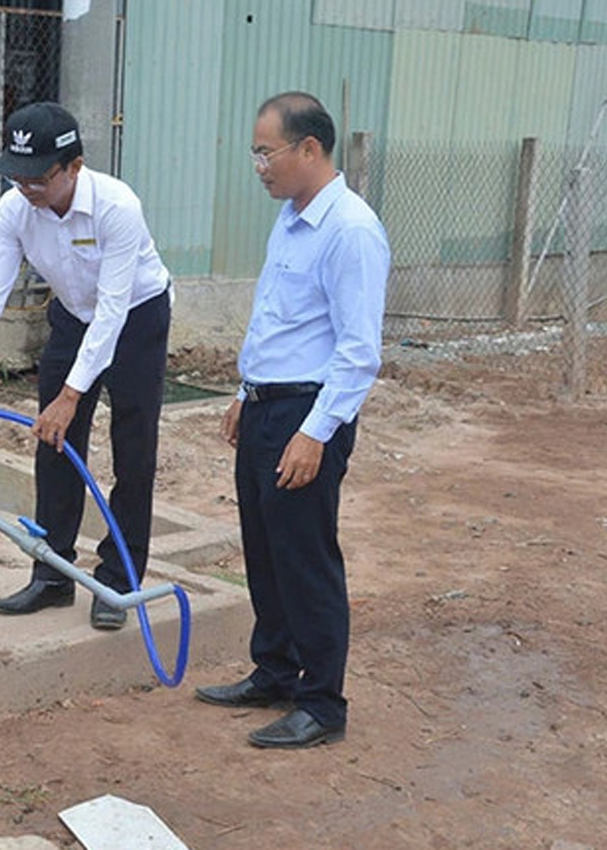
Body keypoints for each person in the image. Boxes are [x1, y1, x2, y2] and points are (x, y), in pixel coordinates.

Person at [0, 101, 173, 631]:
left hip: (135, 318)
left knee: (134, 449)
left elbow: (113, 311)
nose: (26, 188)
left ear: (74, 167)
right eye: (16, 176)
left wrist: (72, 395)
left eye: (38, 178)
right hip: (72, 317)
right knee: (53, 445)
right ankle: (52, 574)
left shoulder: (116, 207)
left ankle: (119, 581)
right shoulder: (14, 210)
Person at [193, 92, 389, 748]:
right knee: (266, 551)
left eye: (265, 151)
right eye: (256, 151)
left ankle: (322, 705)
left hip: (309, 413)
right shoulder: (291, 214)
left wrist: (315, 430)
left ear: (309, 149)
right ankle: (274, 672)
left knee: (305, 559)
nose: (258, 165)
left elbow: (359, 351)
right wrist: (246, 391)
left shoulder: (351, 230)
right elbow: (281, 315)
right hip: (267, 407)